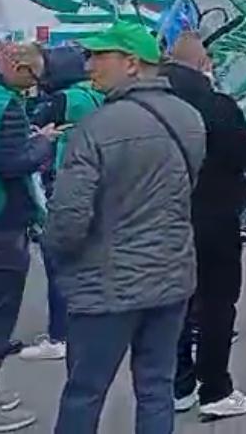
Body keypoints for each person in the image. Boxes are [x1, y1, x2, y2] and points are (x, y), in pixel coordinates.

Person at [46, 23, 205, 434]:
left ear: (132, 64)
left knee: (84, 391)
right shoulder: (189, 118)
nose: (90, 65)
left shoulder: (96, 128)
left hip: (106, 285)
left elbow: (67, 219)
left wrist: (61, 261)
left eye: (100, 57)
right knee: (156, 387)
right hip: (170, 276)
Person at [163, 34, 246, 421]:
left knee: (176, 302)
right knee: (217, 304)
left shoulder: (152, 104)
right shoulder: (217, 105)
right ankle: (215, 387)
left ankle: (179, 384)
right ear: (204, 64)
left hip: (167, 217)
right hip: (215, 215)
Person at [0, 43, 60, 431]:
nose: (33, 87)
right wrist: (43, 142)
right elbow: (12, 162)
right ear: (17, 67)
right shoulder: (6, 104)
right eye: (33, 77)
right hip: (3, 223)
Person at [22, 46, 102, 363]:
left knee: (57, 261)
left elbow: (29, 126)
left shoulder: (63, 100)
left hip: (61, 180)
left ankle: (60, 335)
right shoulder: (95, 95)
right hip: (91, 179)